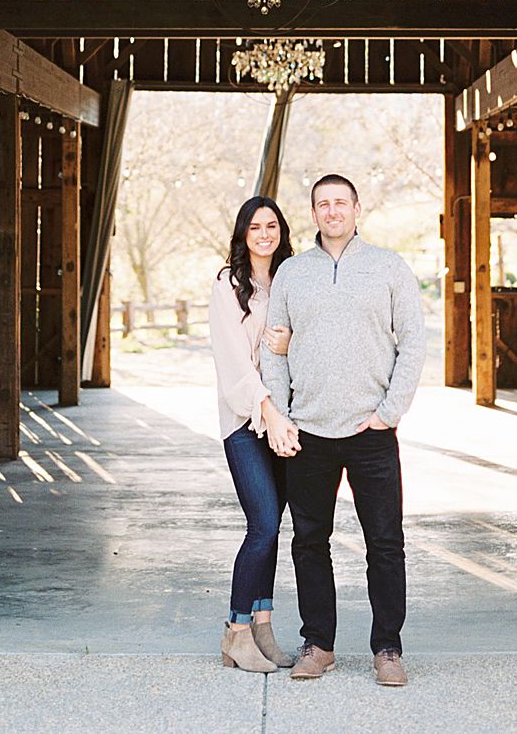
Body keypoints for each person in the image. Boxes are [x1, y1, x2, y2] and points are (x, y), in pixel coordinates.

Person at [258, 174, 425, 687]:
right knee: (310, 541)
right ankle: (319, 644)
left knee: (385, 542)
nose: (332, 212)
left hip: (371, 430)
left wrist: (389, 412)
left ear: (357, 209)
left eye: (340, 203)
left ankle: (388, 648)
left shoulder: (389, 268)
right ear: (313, 214)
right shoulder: (291, 273)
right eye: (322, 204)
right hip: (309, 430)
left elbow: (414, 344)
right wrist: (281, 414)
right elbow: (275, 349)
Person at [208, 196, 299, 673]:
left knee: (275, 528)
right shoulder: (228, 285)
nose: (264, 233)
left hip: (286, 421)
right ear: (243, 233)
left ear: (282, 230)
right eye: (255, 226)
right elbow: (233, 361)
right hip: (247, 422)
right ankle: (236, 633)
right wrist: (266, 409)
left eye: (272, 225)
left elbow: (309, 339)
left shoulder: (292, 277)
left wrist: (292, 341)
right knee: (262, 525)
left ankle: (263, 625)